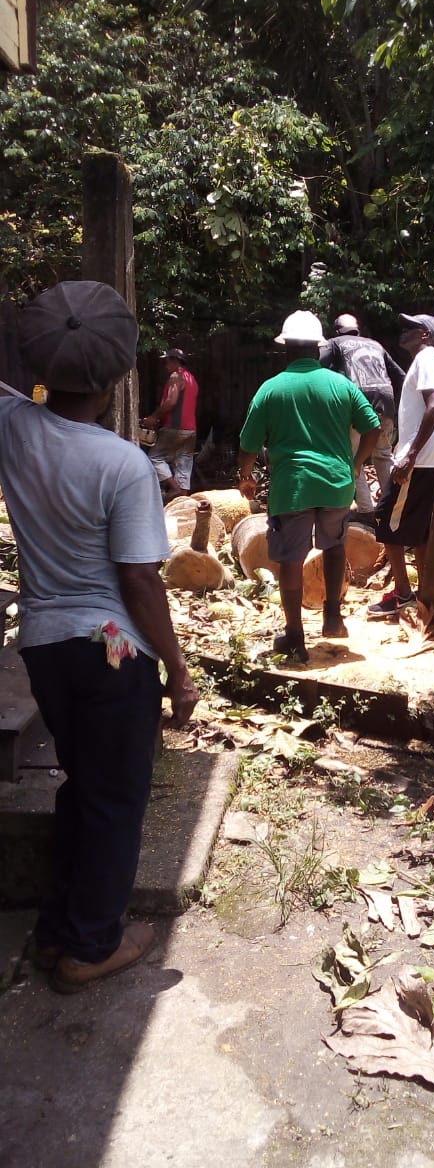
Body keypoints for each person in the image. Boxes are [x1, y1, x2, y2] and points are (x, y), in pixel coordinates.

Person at [0, 281, 198, 992]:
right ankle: (91, 946)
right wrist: (177, 670)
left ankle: (60, 930)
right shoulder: (123, 465)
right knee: (116, 798)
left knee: (83, 786)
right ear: (120, 376)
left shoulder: (14, 426)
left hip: (45, 646)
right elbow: (141, 583)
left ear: (39, 366)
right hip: (110, 646)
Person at [238, 309, 380, 662]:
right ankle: (333, 616)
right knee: (333, 546)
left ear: (286, 349)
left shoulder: (270, 389)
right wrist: (357, 462)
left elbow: (249, 445)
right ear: (317, 349)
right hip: (336, 483)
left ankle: (295, 638)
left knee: (290, 558)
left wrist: (246, 475)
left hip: (293, 487)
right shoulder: (341, 385)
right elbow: (374, 427)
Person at [368, 313, 434, 618]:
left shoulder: (427, 358)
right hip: (430, 458)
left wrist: (410, 455)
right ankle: (426, 598)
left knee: (384, 520)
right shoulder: (430, 359)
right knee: (420, 531)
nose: (403, 331)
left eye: (411, 328)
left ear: (426, 335)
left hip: (422, 459)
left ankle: (404, 594)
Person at [320, 313, 405, 525]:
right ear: (358, 329)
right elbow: (401, 376)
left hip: (356, 404)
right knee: (383, 455)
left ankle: (366, 511)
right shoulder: (376, 345)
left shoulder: (334, 343)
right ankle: (390, 508)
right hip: (386, 402)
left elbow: (317, 368)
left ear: (337, 330)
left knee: (351, 457)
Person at [143, 348, 199, 501]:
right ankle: (182, 498)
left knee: (154, 458)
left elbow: (171, 401)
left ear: (175, 361)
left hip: (175, 428)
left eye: (167, 361)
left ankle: (174, 488)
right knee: (184, 462)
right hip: (190, 430)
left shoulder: (176, 376)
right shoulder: (191, 379)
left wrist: (153, 417)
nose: (165, 365)